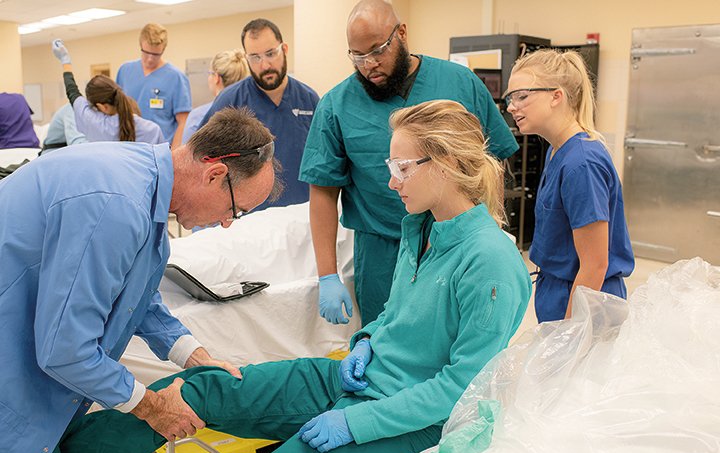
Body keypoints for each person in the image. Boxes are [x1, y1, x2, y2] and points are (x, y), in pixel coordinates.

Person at [35, 100, 532, 453]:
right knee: (198, 388)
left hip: (408, 418)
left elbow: (463, 388)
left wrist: (354, 425)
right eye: (390, 166)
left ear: (444, 164)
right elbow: (393, 320)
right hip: (357, 379)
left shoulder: (490, 261)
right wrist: (365, 343)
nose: (391, 181)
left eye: (402, 168)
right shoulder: (418, 229)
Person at [0, 107, 282, 453]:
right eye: (236, 209)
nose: (227, 222)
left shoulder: (143, 182)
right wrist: (153, 407)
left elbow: (137, 297)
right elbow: (65, 350)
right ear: (215, 174)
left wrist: (194, 357)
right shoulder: (119, 205)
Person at [299, 0, 519, 327]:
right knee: (387, 347)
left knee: (461, 338)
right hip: (382, 254)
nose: (368, 64)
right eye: (357, 56)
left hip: (458, 242)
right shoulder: (336, 105)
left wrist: (494, 231)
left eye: (377, 50)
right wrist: (327, 275)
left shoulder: (460, 84)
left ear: (401, 33)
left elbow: (493, 161)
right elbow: (323, 191)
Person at [505, 49, 634, 322]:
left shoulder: (581, 164)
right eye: (510, 98)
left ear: (556, 96)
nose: (511, 106)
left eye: (522, 96)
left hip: (585, 302)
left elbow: (595, 265)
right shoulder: (557, 151)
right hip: (559, 291)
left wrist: (569, 336)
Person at [200, 18, 320, 209]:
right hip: (249, 221)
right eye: (255, 57)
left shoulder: (310, 100)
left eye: (271, 54)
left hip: (302, 216)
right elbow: (202, 158)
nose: (264, 65)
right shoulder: (230, 101)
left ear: (285, 49)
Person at [52, 39, 164, 144]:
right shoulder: (151, 129)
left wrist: (65, 60)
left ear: (102, 107)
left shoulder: (95, 123)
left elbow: (72, 91)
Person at [116, 23, 192, 149]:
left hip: (158, 150)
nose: (150, 59)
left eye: (156, 54)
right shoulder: (125, 70)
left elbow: (183, 121)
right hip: (128, 147)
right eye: (146, 53)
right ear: (140, 45)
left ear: (164, 49)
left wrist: (173, 153)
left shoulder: (176, 77)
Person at [181, 49, 249, 144]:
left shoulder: (198, 116)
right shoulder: (250, 114)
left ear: (216, 77)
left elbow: (187, 153)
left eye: (209, 73)